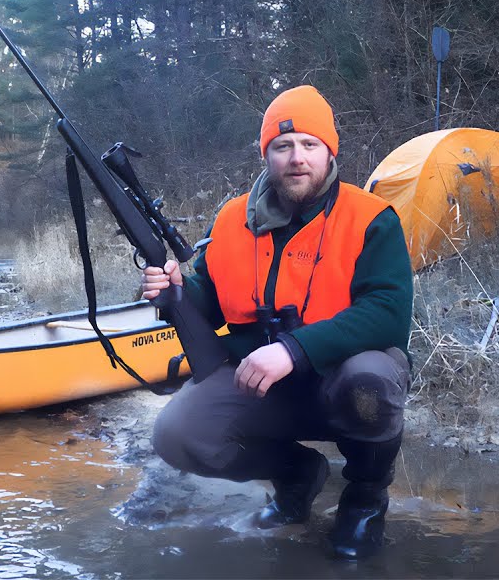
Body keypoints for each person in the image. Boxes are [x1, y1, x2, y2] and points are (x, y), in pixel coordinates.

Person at [141, 85, 413, 560]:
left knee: (369, 381)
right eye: (282, 146)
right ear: (265, 154)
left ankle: (365, 500)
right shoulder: (231, 219)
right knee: (177, 434)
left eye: (309, 144)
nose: (297, 158)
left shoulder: (371, 217)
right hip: (264, 385)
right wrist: (172, 291)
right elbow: (210, 298)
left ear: (330, 150)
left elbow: (388, 313)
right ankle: (297, 476)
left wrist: (294, 349)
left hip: (340, 382)